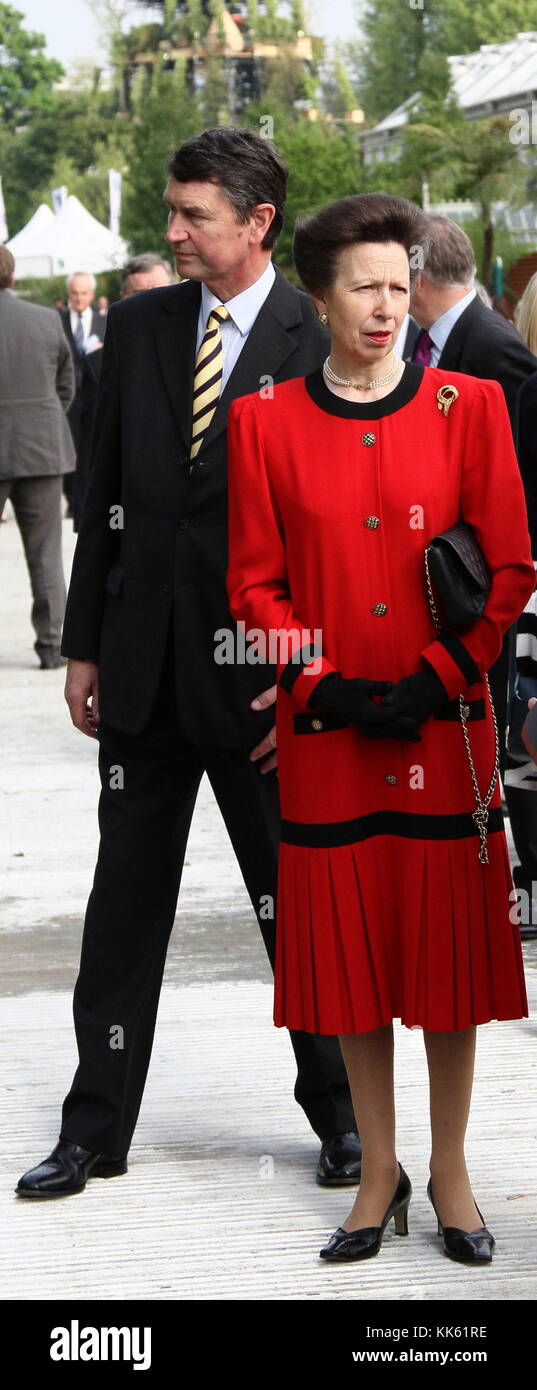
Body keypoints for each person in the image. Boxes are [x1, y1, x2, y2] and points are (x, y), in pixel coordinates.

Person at [16, 127, 359, 1202]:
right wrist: (82, 650)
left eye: (193, 214)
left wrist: (303, 681)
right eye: (171, 210)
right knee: (123, 911)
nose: (172, 232)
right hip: (139, 679)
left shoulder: (321, 341)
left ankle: (348, 1121)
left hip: (260, 686)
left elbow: (347, 546)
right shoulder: (140, 324)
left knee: (295, 911)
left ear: (257, 224)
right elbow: (102, 497)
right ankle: (94, 1127)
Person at [226, 192, 536, 1265]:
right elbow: (254, 585)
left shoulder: (471, 407)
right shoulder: (263, 422)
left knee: (445, 964)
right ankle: (378, 1174)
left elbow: (510, 570)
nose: (387, 306)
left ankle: (450, 1174)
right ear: (319, 296)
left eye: (402, 286)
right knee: (353, 967)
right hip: (329, 739)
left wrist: (440, 672)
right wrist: (321, 685)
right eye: (366, 285)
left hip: (442, 727)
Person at [408, 217, 537, 774]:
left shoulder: (493, 345)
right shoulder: (426, 342)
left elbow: (515, 477)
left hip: (478, 579)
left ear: (417, 273)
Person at [0, 245, 75, 668]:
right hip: (42, 450)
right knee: (46, 554)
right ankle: (51, 646)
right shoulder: (47, 319)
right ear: (12, 277)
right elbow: (67, 385)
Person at [74, 255, 177, 531]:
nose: (151, 302)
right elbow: (95, 443)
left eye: (159, 292)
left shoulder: (205, 355)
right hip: (131, 509)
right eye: (139, 295)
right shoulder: (99, 364)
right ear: (123, 299)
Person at [59, 272, 106, 517]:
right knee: (68, 448)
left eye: (84, 293)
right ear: (69, 294)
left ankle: (84, 499)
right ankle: (71, 497)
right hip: (67, 397)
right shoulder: (57, 320)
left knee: (90, 450)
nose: (79, 298)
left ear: (92, 294)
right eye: (75, 293)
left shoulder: (105, 321)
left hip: (95, 397)